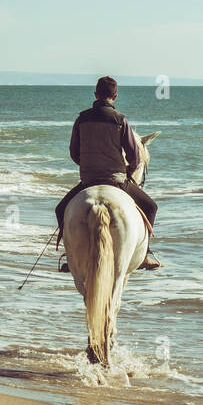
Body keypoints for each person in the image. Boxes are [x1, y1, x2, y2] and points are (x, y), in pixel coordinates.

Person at [55, 76, 160, 270]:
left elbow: (73, 152)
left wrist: (87, 166)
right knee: (151, 207)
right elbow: (135, 156)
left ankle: (71, 257)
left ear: (95, 94)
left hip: (89, 180)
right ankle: (144, 255)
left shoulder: (81, 119)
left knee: (60, 210)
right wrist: (127, 170)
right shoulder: (120, 120)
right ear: (115, 96)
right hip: (117, 181)